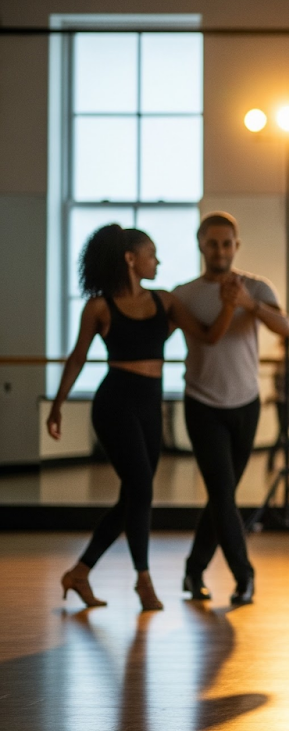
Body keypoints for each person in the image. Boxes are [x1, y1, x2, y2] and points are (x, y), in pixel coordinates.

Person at [49, 224, 233, 611]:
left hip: (151, 406)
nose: (158, 260)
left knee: (134, 494)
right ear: (130, 259)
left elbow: (208, 335)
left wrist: (231, 304)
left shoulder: (164, 301)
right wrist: (57, 405)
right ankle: (143, 581)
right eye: (151, 253)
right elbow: (78, 357)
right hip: (115, 404)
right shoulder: (99, 307)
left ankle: (79, 573)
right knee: (141, 489)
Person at [170, 212, 289, 607]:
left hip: (246, 404)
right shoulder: (184, 294)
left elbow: (285, 328)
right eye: (212, 243)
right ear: (200, 245)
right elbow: (203, 340)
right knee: (222, 493)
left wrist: (249, 304)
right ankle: (244, 576)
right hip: (202, 404)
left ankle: (192, 569)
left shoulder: (256, 286)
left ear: (236, 246)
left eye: (226, 243)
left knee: (222, 496)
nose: (219, 250)